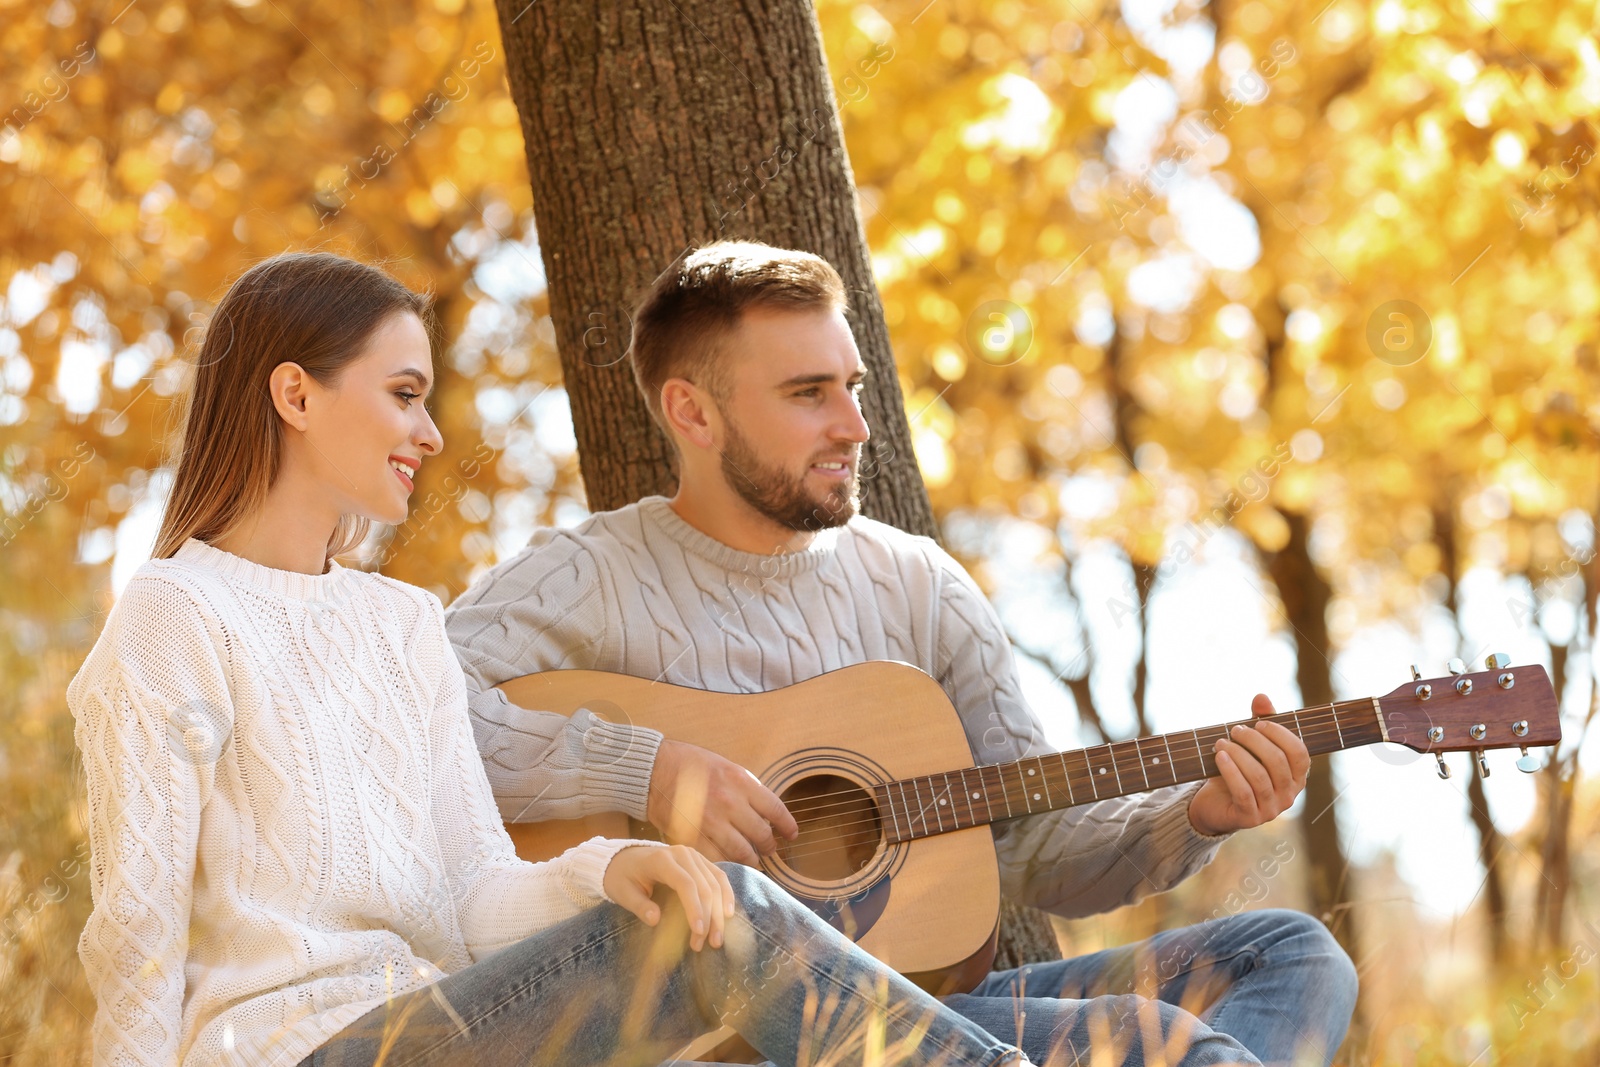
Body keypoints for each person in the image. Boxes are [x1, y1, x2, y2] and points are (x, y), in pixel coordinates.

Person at [67, 251, 1069, 1067]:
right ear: (294, 392)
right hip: (288, 1050)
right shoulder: (176, 612)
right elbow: (136, 942)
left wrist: (616, 863)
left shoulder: (403, 622)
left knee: (697, 910)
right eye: (405, 393)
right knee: (730, 919)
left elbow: (471, 892)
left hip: (449, 1028)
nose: (429, 430)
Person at [443, 241, 1359, 1067]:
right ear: (693, 412)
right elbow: (411, 722)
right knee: (1186, 1051)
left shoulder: (918, 583)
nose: (855, 425)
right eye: (810, 393)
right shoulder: (591, 574)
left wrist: (1198, 812)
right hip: (727, 1032)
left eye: (855, 387)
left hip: (929, 1010)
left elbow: (1034, 848)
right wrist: (648, 771)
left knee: (1292, 955)